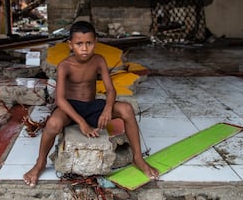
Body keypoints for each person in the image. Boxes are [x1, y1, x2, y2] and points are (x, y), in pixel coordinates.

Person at [23, 21, 159, 187]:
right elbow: (60, 100)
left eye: (89, 43)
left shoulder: (99, 60)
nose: (85, 48)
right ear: (71, 45)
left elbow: (111, 90)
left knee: (127, 109)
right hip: (70, 109)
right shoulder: (65, 65)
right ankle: (40, 163)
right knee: (53, 123)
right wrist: (81, 123)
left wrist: (107, 110)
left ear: (95, 43)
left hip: (91, 106)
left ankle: (138, 158)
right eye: (79, 44)